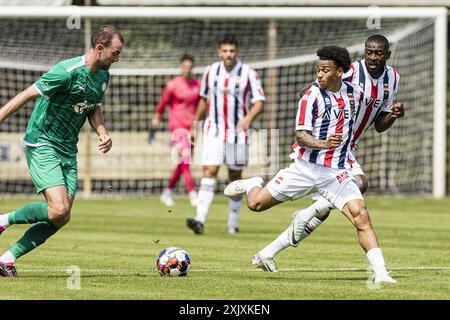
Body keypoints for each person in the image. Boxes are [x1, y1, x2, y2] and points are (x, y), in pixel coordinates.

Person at [224, 45, 397, 284]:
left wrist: (390, 113)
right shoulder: (311, 96)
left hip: (336, 172)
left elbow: (372, 120)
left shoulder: (355, 94)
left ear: (340, 72)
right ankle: (254, 183)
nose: (319, 75)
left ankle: (381, 274)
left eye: (325, 70)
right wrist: (324, 143)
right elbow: (301, 136)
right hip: (304, 168)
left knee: (361, 217)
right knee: (255, 204)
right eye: (318, 70)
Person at [0, 25, 124, 277]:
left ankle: (7, 259)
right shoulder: (65, 72)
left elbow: (93, 107)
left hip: (68, 150)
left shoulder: (103, 76)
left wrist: (103, 132)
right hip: (42, 142)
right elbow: (27, 94)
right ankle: (4, 219)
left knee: (61, 217)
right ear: (99, 48)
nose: (117, 58)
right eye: (115, 53)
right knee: (58, 209)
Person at [186, 35, 265, 235]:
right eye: (225, 51)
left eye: (231, 51)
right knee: (209, 171)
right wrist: (195, 125)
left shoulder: (248, 73)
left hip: (238, 133)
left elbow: (259, 101)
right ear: (219, 52)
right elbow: (203, 99)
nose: (228, 54)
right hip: (213, 130)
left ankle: (232, 224)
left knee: (235, 176)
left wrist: (248, 119)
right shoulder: (211, 71)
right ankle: (199, 220)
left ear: (236, 52)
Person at [151, 54, 201, 207]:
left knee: (182, 163)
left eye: (189, 67)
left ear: (192, 68)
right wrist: (156, 117)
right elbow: (163, 103)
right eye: (184, 67)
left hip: (192, 128)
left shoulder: (197, 85)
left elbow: (203, 106)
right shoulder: (173, 85)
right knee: (185, 159)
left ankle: (167, 192)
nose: (187, 69)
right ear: (181, 67)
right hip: (177, 128)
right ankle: (193, 194)